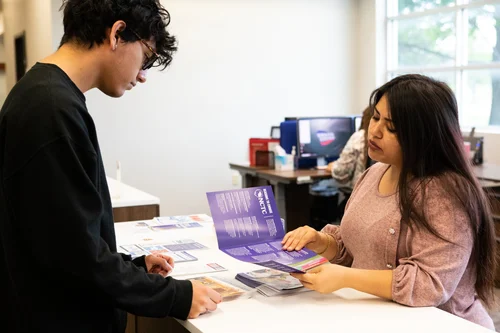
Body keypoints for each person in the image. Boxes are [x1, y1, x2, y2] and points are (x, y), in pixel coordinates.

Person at [0, 1, 221, 332]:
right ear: (117, 34)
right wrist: (176, 295)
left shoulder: (47, 97)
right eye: (145, 57)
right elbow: (78, 260)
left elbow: (64, 239)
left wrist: (133, 267)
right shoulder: (50, 110)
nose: (143, 75)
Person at [282, 74, 497, 329]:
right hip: (379, 317)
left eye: (392, 127)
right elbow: (355, 251)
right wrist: (322, 243)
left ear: (422, 136)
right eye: (375, 117)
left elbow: (430, 285)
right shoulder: (374, 173)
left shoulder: (444, 194)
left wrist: (345, 278)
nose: (375, 131)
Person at [309, 106, 372, 225]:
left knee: (320, 187)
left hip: (358, 199)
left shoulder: (359, 136)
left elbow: (341, 173)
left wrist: (333, 167)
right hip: (374, 200)